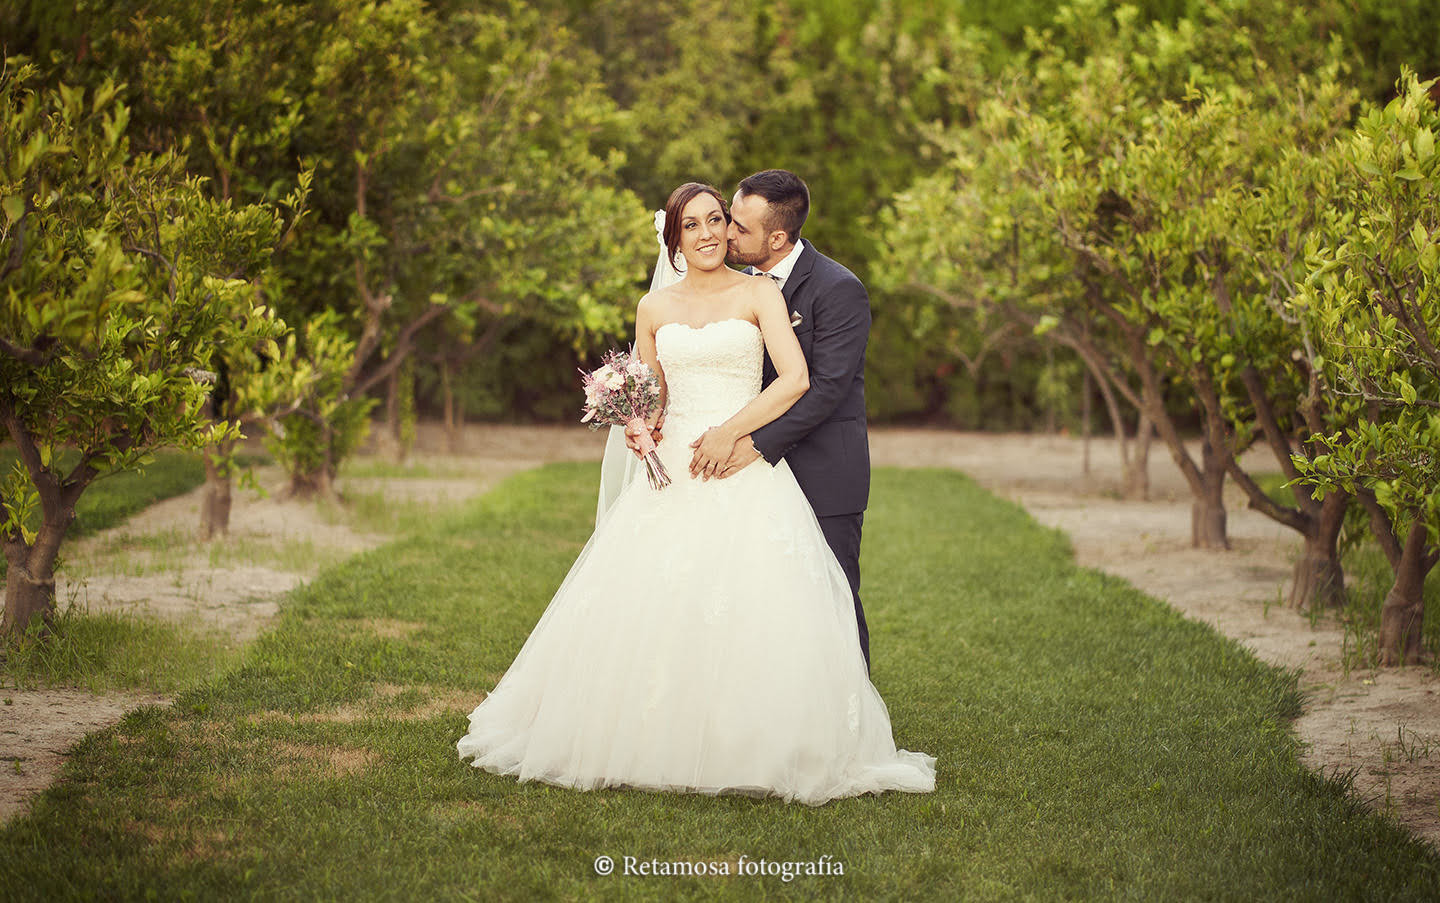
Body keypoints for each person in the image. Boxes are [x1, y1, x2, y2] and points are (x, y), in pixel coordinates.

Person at [456, 182, 935, 806]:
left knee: (793, 599)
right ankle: (660, 733)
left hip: (745, 460)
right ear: (674, 237)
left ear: (767, 235)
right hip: (677, 467)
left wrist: (733, 434)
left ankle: (807, 730)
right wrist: (639, 422)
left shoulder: (765, 291)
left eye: (721, 220)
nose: (714, 233)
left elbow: (801, 379)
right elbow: (654, 389)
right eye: (698, 224)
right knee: (659, 602)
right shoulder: (653, 307)